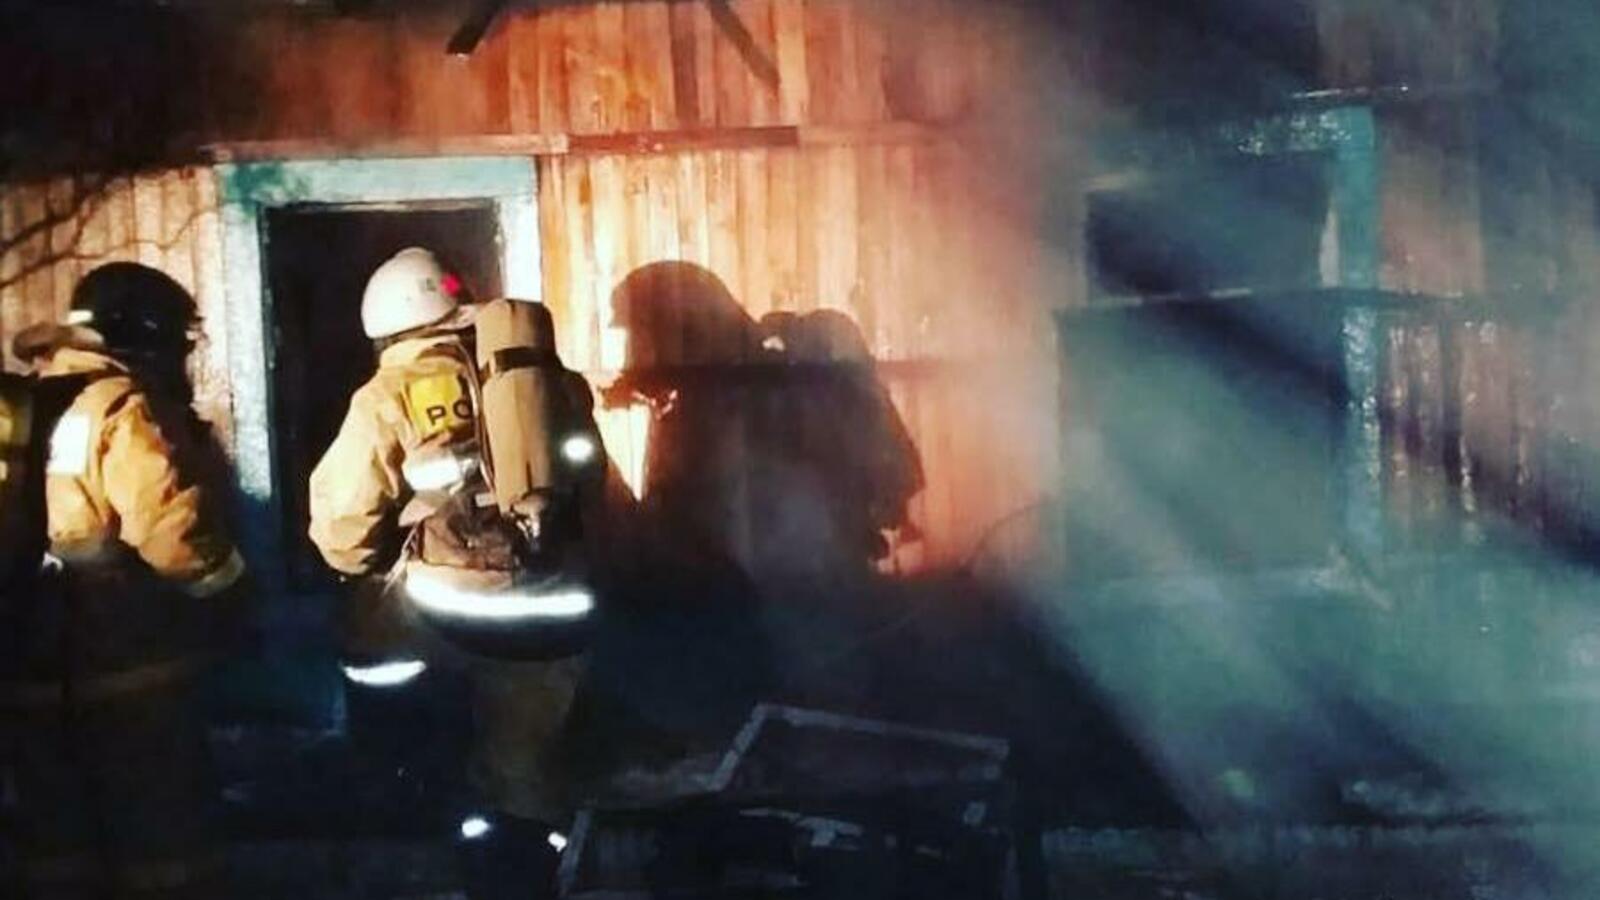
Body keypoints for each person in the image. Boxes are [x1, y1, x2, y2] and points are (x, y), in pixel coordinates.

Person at [308, 247, 600, 899]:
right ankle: (533, 864)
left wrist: (359, 566)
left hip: (455, 610)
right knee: (527, 765)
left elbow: (342, 524)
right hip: (560, 604)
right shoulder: (546, 377)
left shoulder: (390, 391)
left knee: (370, 630)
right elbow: (592, 478)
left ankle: (407, 791)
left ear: (386, 326)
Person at [0, 262, 248, 899]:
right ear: (147, 335)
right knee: (162, 840)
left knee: (57, 841)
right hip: (128, 673)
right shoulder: (120, 407)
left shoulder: (32, 406)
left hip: (30, 664)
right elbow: (172, 533)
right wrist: (232, 593)